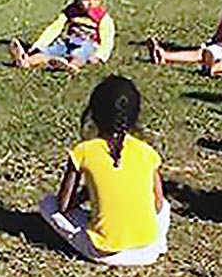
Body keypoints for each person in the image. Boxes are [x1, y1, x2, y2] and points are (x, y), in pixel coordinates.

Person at [39, 75, 169, 266]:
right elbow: (158, 205)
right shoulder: (148, 152)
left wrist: (86, 196)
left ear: (94, 113)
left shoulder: (82, 151)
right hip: (148, 250)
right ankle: (160, 244)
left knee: (47, 204)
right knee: (166, 205)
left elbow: (63, 206)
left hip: (105, 252)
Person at [10, 0, 115, 73]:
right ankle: (26, 60)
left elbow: (107, 39)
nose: (91, 3)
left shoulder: (102, 17)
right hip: (68, 42)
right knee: (48, 51)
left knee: (79, 55)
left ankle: (71, 66)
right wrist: (39, 45)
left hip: (88, 45)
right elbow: (55, 28)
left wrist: (100, 56)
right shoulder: (70, 11)